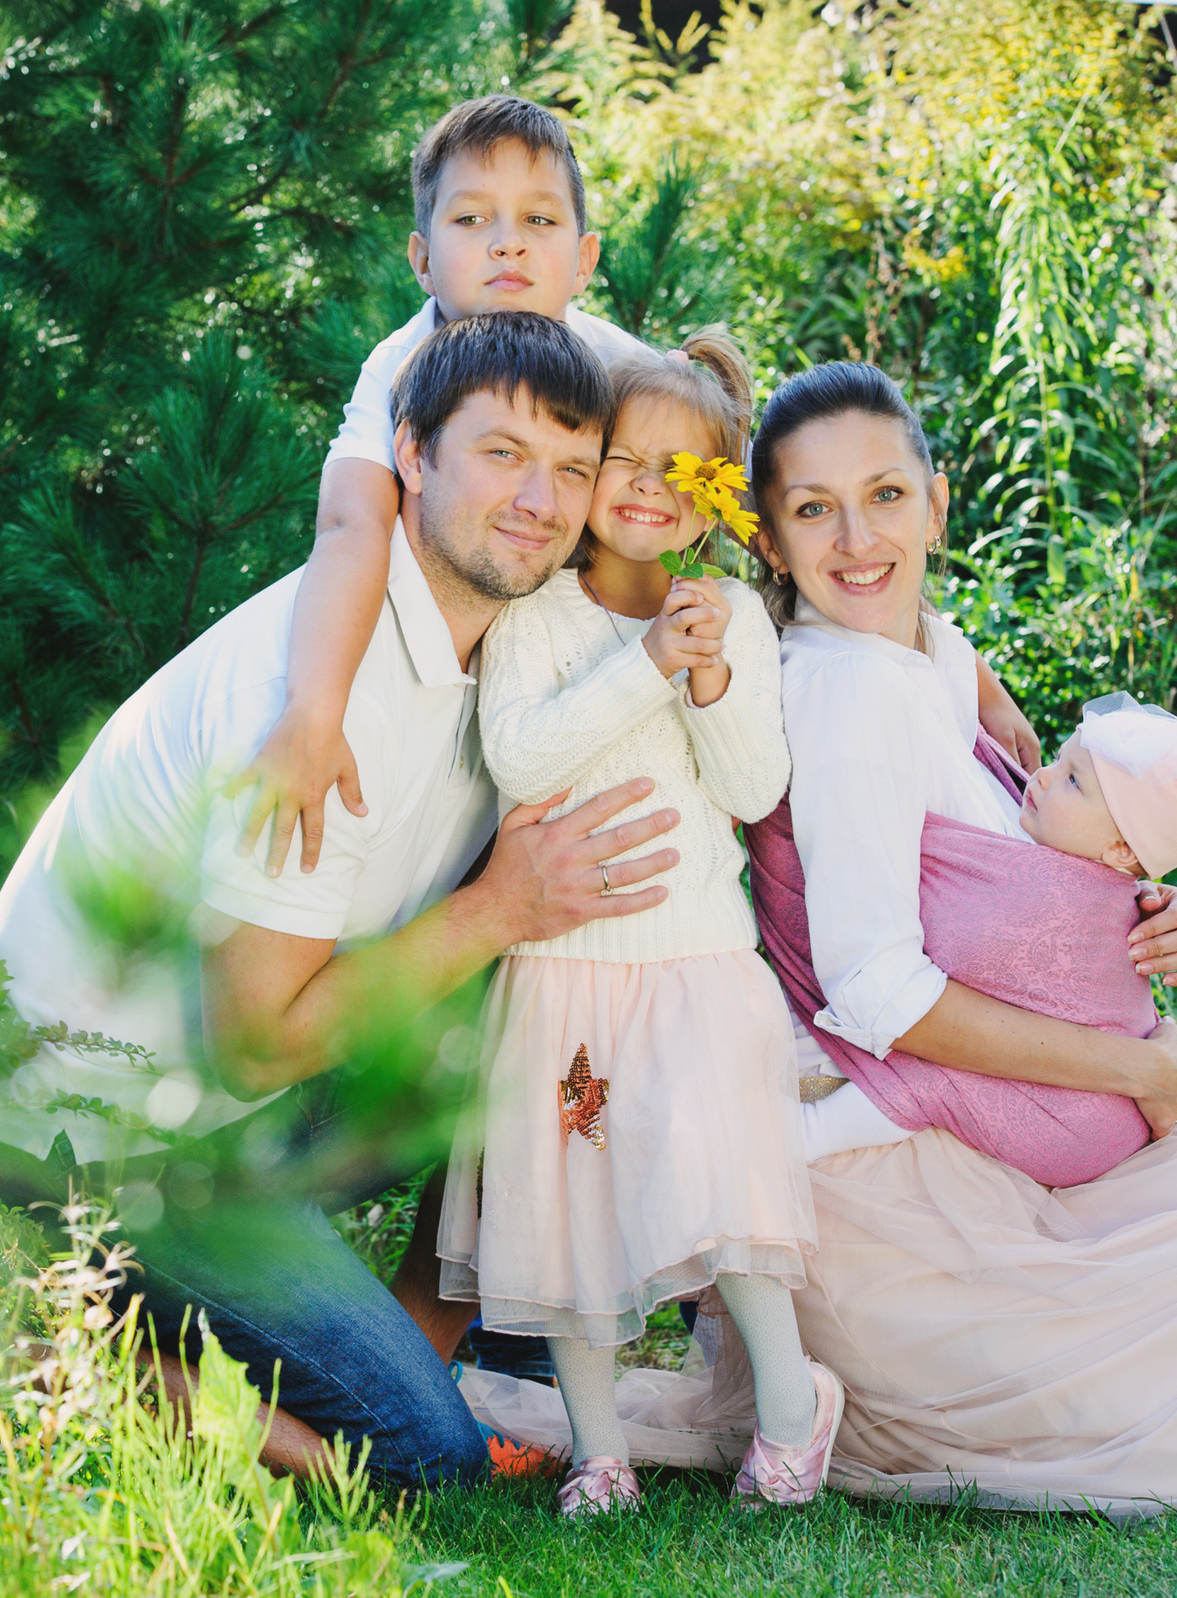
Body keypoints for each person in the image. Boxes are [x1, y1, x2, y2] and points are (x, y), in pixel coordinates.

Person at [463, 362, 1177, 1516]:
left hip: (957, 1121)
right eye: (812, 510)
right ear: (766, 534)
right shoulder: (842, 698)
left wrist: (1149, 903)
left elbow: (1034, 836)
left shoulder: (927, 660)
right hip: (880, 1175)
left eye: (885, 497)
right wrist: (1138, 1064)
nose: (856, 538)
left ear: (938, 503)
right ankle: (785, 1402)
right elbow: (878, 995)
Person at [0, 313, 685, 1492]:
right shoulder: (318, 700)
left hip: (214, 1103)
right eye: (501, 454)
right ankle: (55, 1346)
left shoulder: (493, 646)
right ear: (411, 452)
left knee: (515, 1027)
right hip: (93, 1140)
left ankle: (399, 1334)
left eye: (569, 468)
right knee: (415, 1460)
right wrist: (500, 907)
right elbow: (259, 1046)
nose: (539, 501)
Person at [227, 94, 1042, 879]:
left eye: (538, 220)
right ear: (421, 257)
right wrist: (313, 711)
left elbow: (749, 484)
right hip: (437, 662)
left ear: (583, 261)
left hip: (574, 652)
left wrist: (975, 676)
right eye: (472, 219)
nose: (506, 245)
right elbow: (349, 527)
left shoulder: (601, 352)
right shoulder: (400, 366)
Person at [435, 330, 837, 1515]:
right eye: (626, 460)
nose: (650, 490)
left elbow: (754, 790)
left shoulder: (733, 624)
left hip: (698, 975)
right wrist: (646, 663)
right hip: (566, 982)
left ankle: (789, 1411)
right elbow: (521, 755)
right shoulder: (539, 619)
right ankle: (597, 1447)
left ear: (717, 497)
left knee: (723, 1198)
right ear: (589, 466)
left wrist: (704, 675)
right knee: (573, 1205)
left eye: (685, 472)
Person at [773, 691, 1177, 1187]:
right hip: (1108, 1118)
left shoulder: (1058, 896)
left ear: (1122, 848)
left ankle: (804, 1135)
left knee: (932, 1080)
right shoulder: (1119, 895)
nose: (1040, 775)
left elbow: (961, 959)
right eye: (1060, 761)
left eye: (1072, 780)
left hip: (1074, 1128)